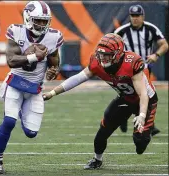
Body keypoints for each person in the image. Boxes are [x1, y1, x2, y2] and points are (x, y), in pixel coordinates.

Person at [43, 33, 158, 169]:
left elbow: (143, 94)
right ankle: (97, 160)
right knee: (102, 131)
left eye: (107, 54)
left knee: (140, 143)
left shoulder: (131, 62)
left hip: (146, 101)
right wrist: (53, 92)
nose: (103, 57)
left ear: (118, 53)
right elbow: (78, 78)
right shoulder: (97, 62)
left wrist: (142, 115)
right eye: (101, 53)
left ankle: (146, 129)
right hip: (125, 98)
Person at [0, 1, 63, 174]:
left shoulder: (53, 36)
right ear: (28, 18)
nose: (42, 24)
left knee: (31, 133)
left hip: (35, 88)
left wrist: (54, 70)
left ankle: (22, 110)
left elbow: (54, 63)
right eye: (39, 20)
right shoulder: (16, 31)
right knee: (9, 121)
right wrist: (33, 57)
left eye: (45, 21)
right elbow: (11, 61)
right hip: (16, 82)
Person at [114, 4, 168, 135]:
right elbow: (112, 46)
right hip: (126, 69)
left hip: (144, 69)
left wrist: (156, 55)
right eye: (132, 16)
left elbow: (164, 45)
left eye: (137, 16)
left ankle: (148, 124)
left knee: (145, 94)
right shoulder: (122, 31)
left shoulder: (150, 28)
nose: (135, 18)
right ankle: (125, 117)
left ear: (142, 16)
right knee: (129, 95)